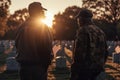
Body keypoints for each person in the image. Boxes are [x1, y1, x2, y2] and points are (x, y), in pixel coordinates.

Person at [15, 2, 53, 80]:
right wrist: (46, 64)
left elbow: (17, 45)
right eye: (41, 11)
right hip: (38, 67)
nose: (43, 13)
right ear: (37, 12)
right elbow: (46, 47)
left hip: (24, 67)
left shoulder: (21, 27)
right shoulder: (42, 27)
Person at [70, 8, 108, 80]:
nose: (78, 21)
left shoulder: (83, 30)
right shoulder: (100, 31)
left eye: (78, 19)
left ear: (82, 19)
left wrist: (74, 70)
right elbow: (105, 51)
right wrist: (101, 65)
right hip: (97, 68)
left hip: (85, 70)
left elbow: (80, 53)